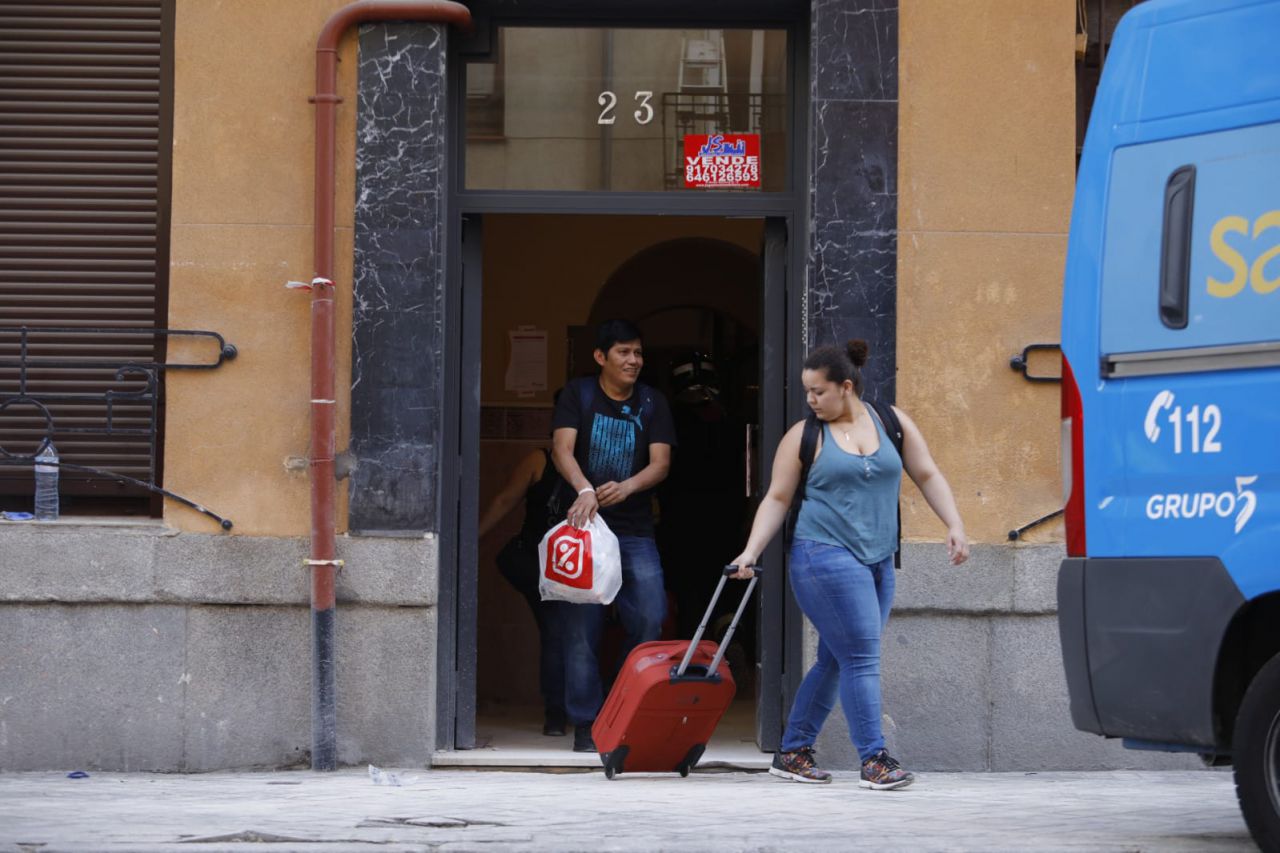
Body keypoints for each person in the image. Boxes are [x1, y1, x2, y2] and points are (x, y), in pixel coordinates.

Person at [730, 339, 969, 789]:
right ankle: (874, 758)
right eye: (807, 392)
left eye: (818, 391)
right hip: (822, 555)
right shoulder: (803, 437)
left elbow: (928, 474)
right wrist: (750, 551)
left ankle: (794, 751)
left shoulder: (892, 423)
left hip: (878, 559)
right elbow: (777, 498)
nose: (810, 400)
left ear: (846, 386)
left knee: (837, 659)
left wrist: (954, 523)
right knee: (861, 655)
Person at [552, 319, 677, 752]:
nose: (634, 361)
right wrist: (585, 488)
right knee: (581, 631)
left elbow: (661, 463)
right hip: (584, 530)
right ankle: (587, 722)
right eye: (624, 352)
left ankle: (620, 709)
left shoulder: (652, 401)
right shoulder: (579, 394)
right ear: (601, 357)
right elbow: (561, 449)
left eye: (638, 353)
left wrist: (628, 487)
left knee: (649, 616)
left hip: (636, 530)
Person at [477, 440, 574, 737]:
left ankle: (560, 713)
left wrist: (473, 538)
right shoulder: (541, 460)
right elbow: (505, 500)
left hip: (567, 566)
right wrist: (472, 538)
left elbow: (506, 500)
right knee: (559, 633)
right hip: (547, 568)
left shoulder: (542, 459)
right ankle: (559, 712)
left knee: (557, 634)